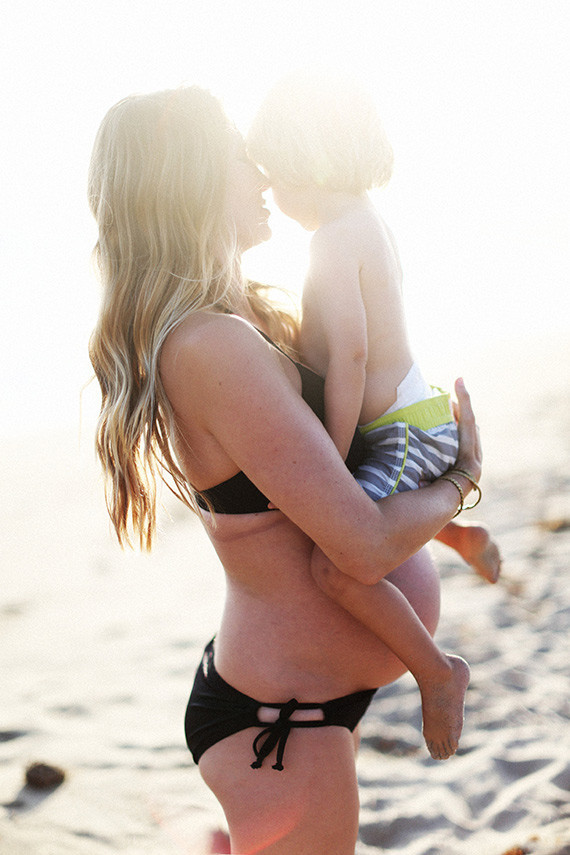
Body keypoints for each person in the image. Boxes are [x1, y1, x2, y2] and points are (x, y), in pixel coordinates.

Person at [88, 85, 485, 855]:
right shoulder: (210, 346)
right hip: (278, 721)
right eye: (242, 158)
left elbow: (331, 483)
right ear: (192, 182)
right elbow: (363, 545)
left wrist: (449, 520)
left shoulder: (234, 319)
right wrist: (460, 475)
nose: (264, 175)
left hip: (299, 704)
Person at [247, 72, 501, 758]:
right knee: (362, 508)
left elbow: (353, 357)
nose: (268, 189)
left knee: (337, 563)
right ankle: (457, 533)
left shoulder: (331, 238)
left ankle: (437, 670)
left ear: (306, 161)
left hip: (402, 429)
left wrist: (328, 453)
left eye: (273, 172)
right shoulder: (366, 221)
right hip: (411, 417)